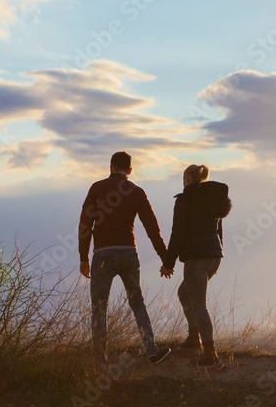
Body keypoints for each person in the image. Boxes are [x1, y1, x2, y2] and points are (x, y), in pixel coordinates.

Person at [79, 151, 172, 366]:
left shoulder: (97, 188)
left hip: (103, 254)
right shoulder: (137, 192)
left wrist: (83, 256)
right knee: (137, 302)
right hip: (130, 252)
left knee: (99, 307)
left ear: (110, 167)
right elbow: (152, 229)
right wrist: (166, 259)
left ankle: (101, 362)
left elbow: (85, 224)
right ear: (129, 170)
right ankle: (152, 351)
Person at [161, 164, 231, 366]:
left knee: (199, 304)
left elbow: (178, 233)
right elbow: (219, 230)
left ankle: (209, 352)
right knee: (184, 292)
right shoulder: (213, 200)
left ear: (188, 178)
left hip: (196, 257)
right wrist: (217, 253)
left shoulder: (184, 200)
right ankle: (193, 337)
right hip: (213, 256)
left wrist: (168, 263)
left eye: (184, 178)